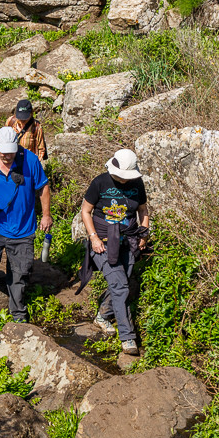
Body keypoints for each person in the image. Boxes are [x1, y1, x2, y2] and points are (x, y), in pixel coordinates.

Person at [0, 126, 53, 322]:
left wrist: (46, 215)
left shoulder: (30, 160)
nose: (8, 157)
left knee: (20, 273)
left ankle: (18, 314)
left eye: (11, 153)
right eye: (3, 153)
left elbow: (43, 188)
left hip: (23, 228)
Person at [76, 149, 150, 355]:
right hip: (104, 242)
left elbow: (142, 209)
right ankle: (128, 338)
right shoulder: (100, 182)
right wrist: (94, 238)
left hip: (129, 241)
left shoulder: (137, 184)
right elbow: (86, 211)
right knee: (119, 286)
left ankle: (102, 315)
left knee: (123, 284)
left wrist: (144, 233)